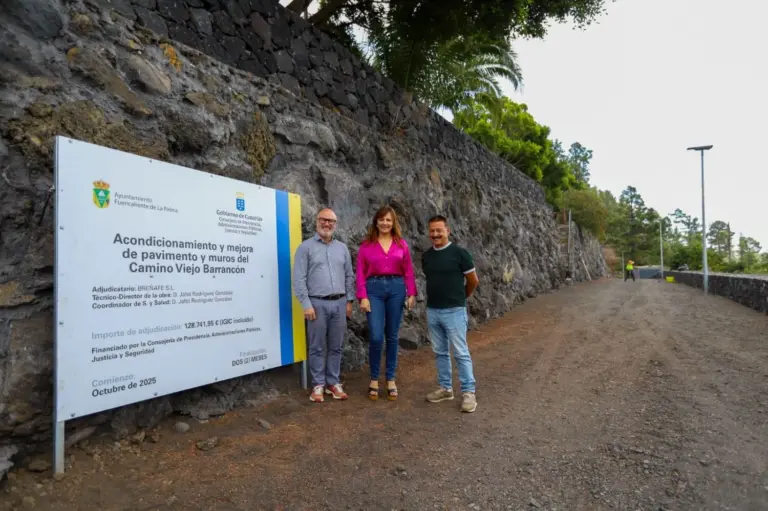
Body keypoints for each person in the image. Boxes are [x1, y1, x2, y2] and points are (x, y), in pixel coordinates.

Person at [293, 208, 356, 403]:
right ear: (316, 221)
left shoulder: (342, 248)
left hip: (339, 303)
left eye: (331, 221)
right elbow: (299, 279)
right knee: (317, 346)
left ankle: (333, 383)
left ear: (335, 225)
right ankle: (318, 385)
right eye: (323, 220)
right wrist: (306, 304)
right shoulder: (305, 248)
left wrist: (349, 301)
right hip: (316, 304)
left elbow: (348, 275)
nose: (327, 224)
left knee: (336, 346)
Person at [356, 206, 417, 401]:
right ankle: (374, 378)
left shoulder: (402, 245)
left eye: (388, 220)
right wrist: (362, 296)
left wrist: (411, 293)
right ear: (376, 222)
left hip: (396, 289)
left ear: (393, 223)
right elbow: (360, 274)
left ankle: (390, 378)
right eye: (381, 219)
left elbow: (408, 271)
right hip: (373, 289)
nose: (385, 223)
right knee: (375, 336)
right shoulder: (366, 246)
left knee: (392, 336)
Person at [421, 215, 480, 413]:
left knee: (461, 353)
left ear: (448, 231)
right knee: (440, 352)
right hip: (433, 310)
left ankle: (468, 392)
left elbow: (473, 281)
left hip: (454, 310)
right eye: (432, 231)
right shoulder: (427, 256)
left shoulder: (460, 254)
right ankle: (446, 388)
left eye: (439, 230)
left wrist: (461, 298)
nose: (435, 234)